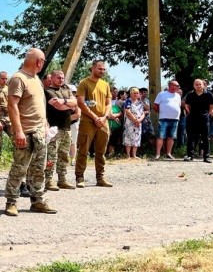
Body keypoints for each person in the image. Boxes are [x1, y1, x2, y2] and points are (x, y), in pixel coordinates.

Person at [3, 49, 56, 215]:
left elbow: (38, 103)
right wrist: (18, 131)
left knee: (38, 169)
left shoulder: (36, 79)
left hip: (40, 132)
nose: (43, 64)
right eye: (43, 61)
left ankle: (37, 201)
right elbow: (12, 105)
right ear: (39, 62)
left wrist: (45, 122)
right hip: (25, 132)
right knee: (19, 168)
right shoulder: (18, 78)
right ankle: (11, 202)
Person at [75, 60, 113, 188]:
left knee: (101, 151)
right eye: (100, 69)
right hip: (87, 121)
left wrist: (104, 117)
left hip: (103, 121)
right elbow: (80, 102)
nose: (102, 71)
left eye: (104, 69)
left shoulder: (105, 84)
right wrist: (95, 117)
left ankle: (100, 177)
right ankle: (80, 177)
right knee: (83, 150)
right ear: (92, 68)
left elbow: (108, 104)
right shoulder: (84, 83)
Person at [44, 69, 78, 190]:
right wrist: (69, 105)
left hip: (67, 127)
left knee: (64, 155)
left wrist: (64, 102)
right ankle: (48, 180)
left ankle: (62, 179)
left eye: (62, 77)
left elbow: (75, 102)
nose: (61, 79)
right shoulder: (48, 91)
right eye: (58, 77)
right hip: (54, 129)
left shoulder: (66, 90)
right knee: (51, 156)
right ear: (52, 78)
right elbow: (57, 106)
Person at [183, 79, 213, 163]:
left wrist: (209, 114)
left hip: (204, 117)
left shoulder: (208, 94)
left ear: (203, 85)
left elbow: (211, 106)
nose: (198, 86)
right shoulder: (190, 94)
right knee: (191, 137)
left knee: (206, 137)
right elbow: (186, 105)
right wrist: (189, 113)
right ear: (194, 85)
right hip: (192, 117)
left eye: (200, 84)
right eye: (196, 84)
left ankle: (206, 156)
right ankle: (190, 155)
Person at [153, 80, 182, 159]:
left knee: (171, 137)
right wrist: (162, 112)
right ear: (171, 86)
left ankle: (168, 153)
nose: (177, 87)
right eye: (176, 86)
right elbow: (155, 106)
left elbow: (178, 106)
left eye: (178, 86)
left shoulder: (178, 96)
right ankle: (158, 154)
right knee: (161, 136)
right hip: (164, 118)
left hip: (175, 119)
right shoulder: (162, 94)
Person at [122, 87, 146, 159]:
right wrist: (135, 120)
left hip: (138, 123)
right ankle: (128, 155)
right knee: (128, 137)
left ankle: (134, 154)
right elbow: (128, 112)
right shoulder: (128, 101)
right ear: (131, 93)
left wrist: (139, 120)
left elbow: (143, 113)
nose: (136, 94)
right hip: (129, 122)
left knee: (137, 138)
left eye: (137, 93)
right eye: (134, 93)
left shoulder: (140, 102)